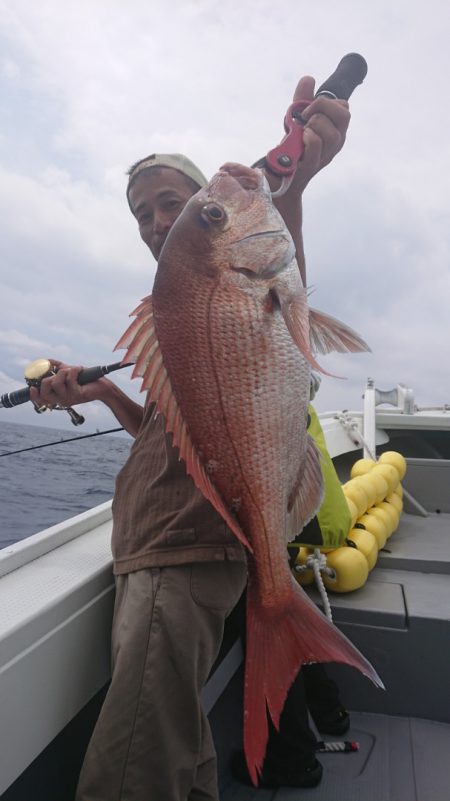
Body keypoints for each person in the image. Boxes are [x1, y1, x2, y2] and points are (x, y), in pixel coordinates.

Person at [31, 75, 351, 800]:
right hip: (152, 549)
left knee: (132, 773)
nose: (153, 220)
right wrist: (107, 389)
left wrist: (292, 191)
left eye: (173, 204)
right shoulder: (173, 328)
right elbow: (180, 440)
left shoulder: (246, 293)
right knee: (179, 753)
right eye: (142, 213)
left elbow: (283, 334)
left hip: (180, 558)